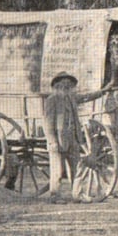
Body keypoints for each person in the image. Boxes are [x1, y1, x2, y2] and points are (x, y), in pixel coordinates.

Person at [43, 72, 106, 203]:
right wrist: (52, 141)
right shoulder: (51, 100)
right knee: (57, 171)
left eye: (69, 85)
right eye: (64, 85)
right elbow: (48, 123)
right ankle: (55, 196)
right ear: (57, 86)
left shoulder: (71, 98)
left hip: (73, 138)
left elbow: (88, 97)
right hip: (58, 140)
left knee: (77, 169)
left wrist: (104, 91)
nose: (67, 87)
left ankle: (77, 195)